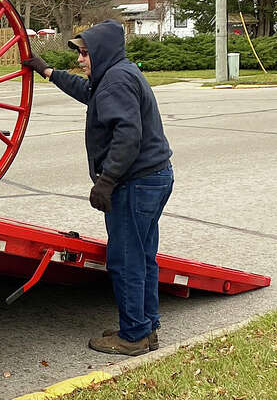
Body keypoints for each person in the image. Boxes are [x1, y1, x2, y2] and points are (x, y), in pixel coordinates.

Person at [22, 21, 173, 356]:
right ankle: (146, 327)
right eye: (79, 53)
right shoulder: (117, 73)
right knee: (144, 256)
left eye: (86, 54)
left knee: (126, 260)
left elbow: (127, 136)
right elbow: (86, 91)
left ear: (101, 52)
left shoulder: (116, 81)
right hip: (154, 177)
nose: (81, 60)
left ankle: (133, 336)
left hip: (136, 182)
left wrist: (107, 181)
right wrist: (47, 71)